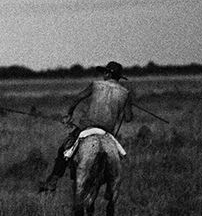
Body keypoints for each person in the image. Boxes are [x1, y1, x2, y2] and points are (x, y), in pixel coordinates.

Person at [38, 61, 134, 192]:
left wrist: (69, 114)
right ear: (118, 77)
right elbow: (128, 118)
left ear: (107, 73)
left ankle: (52, 182)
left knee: (64, 149)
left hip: (87, 127)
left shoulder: (95, 85)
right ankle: (111, 188)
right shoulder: (125, 93)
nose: (103, 75)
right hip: (107, 132)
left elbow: (77, 98)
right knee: (116, 158)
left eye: (104, 73)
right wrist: (126, 103)